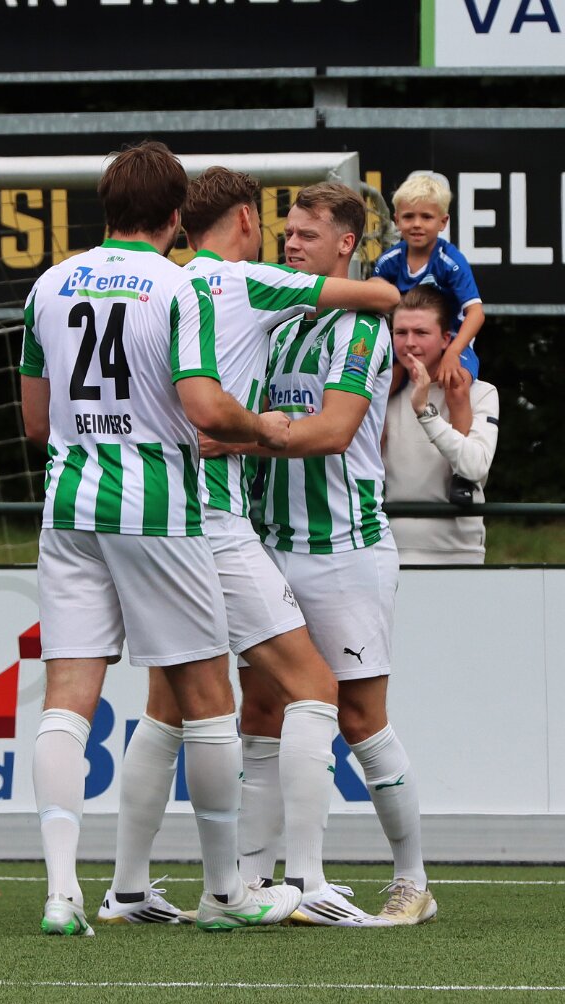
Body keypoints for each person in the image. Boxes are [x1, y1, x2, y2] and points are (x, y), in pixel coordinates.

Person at [99, 167, 400, 929]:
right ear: (243, 219)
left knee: (167, 706)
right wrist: (261, 427)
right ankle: (301, 880)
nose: (281, 241)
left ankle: (126, 888)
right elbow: (382, 296)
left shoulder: (160, 289)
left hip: (144, 513)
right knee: (315, 687)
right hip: (215, 519)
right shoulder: (243, 282)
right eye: (275, 227)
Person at [19, 142, 299, 936]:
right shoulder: (182, 287)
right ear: (177, 217)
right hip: (155, 507)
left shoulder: (49, 284)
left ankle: (62, 892)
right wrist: (266, 428)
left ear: (105, 207)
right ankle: (225, 893)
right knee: (207, 699)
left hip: (68, 504)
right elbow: (207, 410)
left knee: (68, 698)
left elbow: (36, 422)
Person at [246, 182, 437, 925]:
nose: (291, 243)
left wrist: (242, 433)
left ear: (346, 244)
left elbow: (332, 431)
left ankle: (412, 881)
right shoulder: (279, 318)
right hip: (269, 545)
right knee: (261, 710)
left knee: (359, 719)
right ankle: (257, 880)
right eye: (288, 233)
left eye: (307, 234)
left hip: (344, 551)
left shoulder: (361, 327)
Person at [385, 287, 499, 564]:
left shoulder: (481, 392)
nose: (409, 343)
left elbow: (475, 467)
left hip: (459, 554)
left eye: (421, 333)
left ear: (446, 339)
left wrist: (425, 412)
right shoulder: (383, 391)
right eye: (400, 333)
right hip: (387, 552)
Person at [373, 174, 485, 385]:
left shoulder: (451, 261)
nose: (417, 224)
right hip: (407, 340)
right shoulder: (388, 261)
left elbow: (476, 313)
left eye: (426, 217)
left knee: (457, 384)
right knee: (383, 382)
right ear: (396, 220)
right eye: (408, 217)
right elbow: (373, 299)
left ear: (443, 222)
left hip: (452, 339)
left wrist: (453, 351)